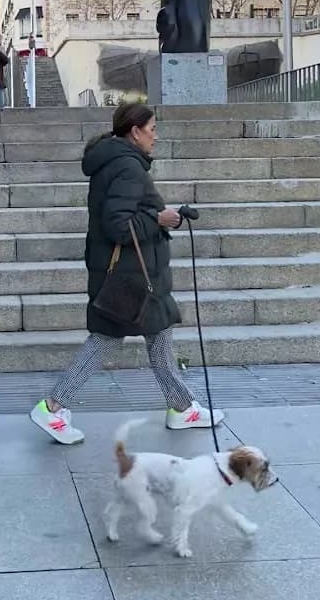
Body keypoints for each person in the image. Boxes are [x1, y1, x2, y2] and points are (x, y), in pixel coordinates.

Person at [30, 101, 223, 445]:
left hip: (133, 270)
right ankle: (52, 407)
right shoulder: (128, 167)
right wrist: (159, 219)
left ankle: (181, 407)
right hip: (131, 274)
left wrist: (158, 215)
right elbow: (119, 225)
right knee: (106, 339)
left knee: (159, 333)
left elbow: (125, 213)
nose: (156, 137)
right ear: (135, 131)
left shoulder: (116, 161)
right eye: (152, 130)